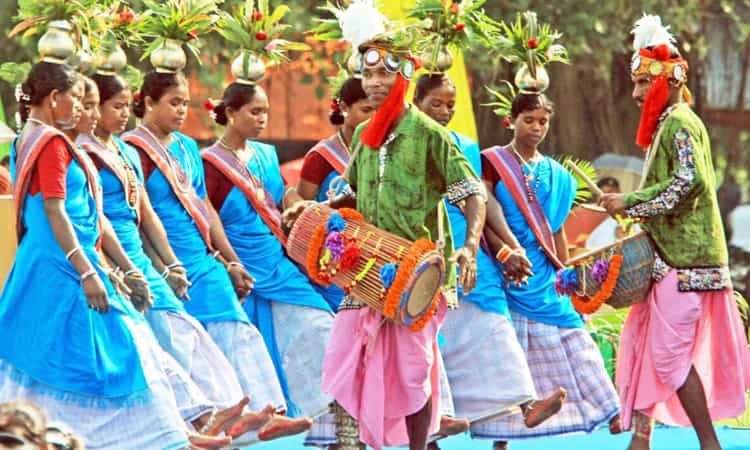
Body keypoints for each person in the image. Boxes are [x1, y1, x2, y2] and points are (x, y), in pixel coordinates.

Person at [288, 34, 487, 450]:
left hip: (420, 270)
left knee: (414, 368)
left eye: (383, 73)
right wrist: (315, 211)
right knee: (346, 354)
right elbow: (354, 193)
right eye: (368, 74)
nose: (374, 82)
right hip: (366, 265)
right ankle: (352, 443)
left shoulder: (431, 134)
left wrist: (469, 246)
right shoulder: (364, 133)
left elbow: (472, 192)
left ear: (406, 76)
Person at [77, 72, 299, 444]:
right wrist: (131, 267)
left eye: (185, 103)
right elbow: (97, 216)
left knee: (202, 333)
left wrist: (172, 263)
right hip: (112, 258)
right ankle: (206, 421)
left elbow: (148, 213)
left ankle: (246, 413)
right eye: (113, 106)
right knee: (170, 338)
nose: (182, 111)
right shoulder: (91, 151)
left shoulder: (127, 150)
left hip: (166, 256)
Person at [0, 61, 190, 449]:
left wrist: (114, 270)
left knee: (50, 354)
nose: (81, 108)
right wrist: (88, 272)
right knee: (119, 348)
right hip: (62, 265)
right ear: (55, 99)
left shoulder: (27, 138)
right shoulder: (51, 141)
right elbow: (56, 209)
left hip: (51, 260)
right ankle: (157, 440)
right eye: (75, 99)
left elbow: (74, 213)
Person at [599, 15, 750, 450]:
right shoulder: (672, 122)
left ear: (667, 79)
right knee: (645, 341)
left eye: (643, 83)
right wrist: (635, 208)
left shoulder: (682, 121)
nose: (636, 93)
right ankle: (641, 440)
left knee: (665, 354)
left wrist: (629, 202)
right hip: (672, 258)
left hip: (686, 262)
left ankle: (709, 444)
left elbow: (691, 182)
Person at [413, 73, 565, 449]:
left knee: (494, 324)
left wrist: (504, 247)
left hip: (467, 250)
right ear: (416, 103)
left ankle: (525, 403)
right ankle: (435, 419)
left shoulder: (465, 146)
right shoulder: (400, 143)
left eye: (451, 104)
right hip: (418, 248)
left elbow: (479, 201)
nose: (445, 111)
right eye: (436, 103)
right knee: (426, 340)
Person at [479, 92, 621, 448]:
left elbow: (554, 228)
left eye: (543, 121)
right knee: (512, 351)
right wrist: (504, 254)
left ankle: (609, 411)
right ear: (510, 121)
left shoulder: (556, 174)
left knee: (575, 335)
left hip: (544, 274)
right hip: (506, 269)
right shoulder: (493, 163)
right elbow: (482, 217)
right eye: (529, 120)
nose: (537, 128)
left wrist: (565, 273)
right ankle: (502, 438)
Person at [202, 80, 336, 444]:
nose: (262, 120)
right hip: (243, 264)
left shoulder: (265, 154)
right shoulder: (209, 164)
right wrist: (230, 262)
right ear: (230, 113)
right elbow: (209, 218)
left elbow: (281, 194)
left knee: (319, 325)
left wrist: (298, 204)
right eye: (254, 112)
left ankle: (324, 417)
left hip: (277, 260)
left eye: (265, 113)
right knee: (255, 345)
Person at [297, 77, 374, 310]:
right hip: (333, 259)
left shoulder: (383, 153)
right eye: (366, 110)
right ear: (343, 107)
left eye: (378, 110)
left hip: (375, 255)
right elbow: (304, 213)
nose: (373, 118)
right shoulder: (320, 157)